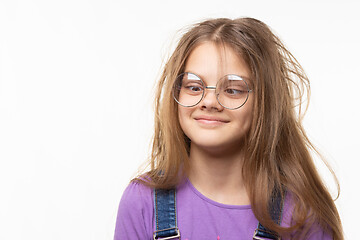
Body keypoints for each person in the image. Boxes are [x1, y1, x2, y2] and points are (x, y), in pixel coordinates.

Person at [114, 17, 343, 240]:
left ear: (265, 102)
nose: (209, 101)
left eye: (233, 90)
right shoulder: (143, 202)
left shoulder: (301, 214)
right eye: (194, 87)